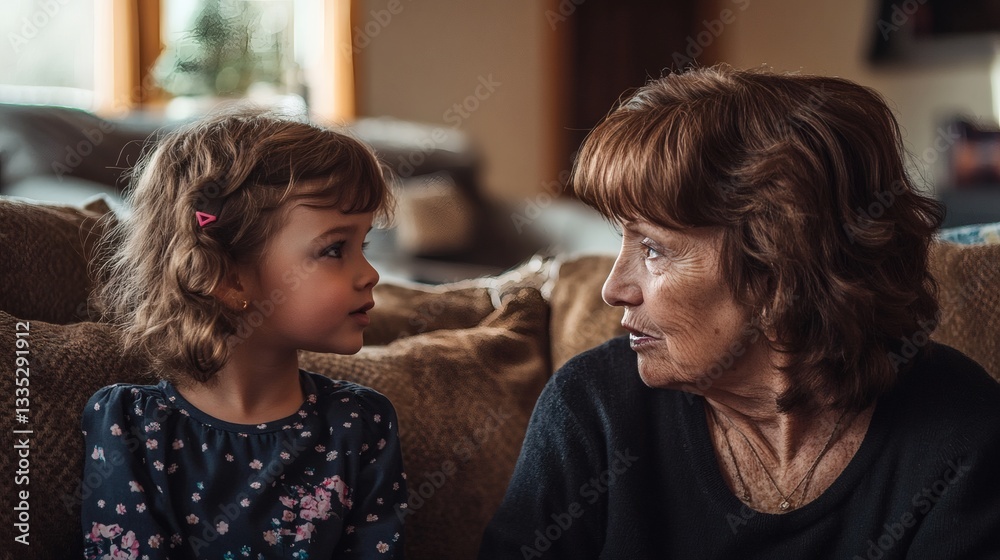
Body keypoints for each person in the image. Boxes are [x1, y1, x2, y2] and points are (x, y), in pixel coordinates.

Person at [479, 66, 1000, 559]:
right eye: (623, 239)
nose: (614, 289)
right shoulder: (594, 410)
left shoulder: (962, 438)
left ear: (781, 268)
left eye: (654, 249)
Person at [81, 109, 407, 559]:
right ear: (230, 278)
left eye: (363, 244)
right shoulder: (132, 427)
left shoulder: (361, 423)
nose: (370, 274)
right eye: (335, 249)